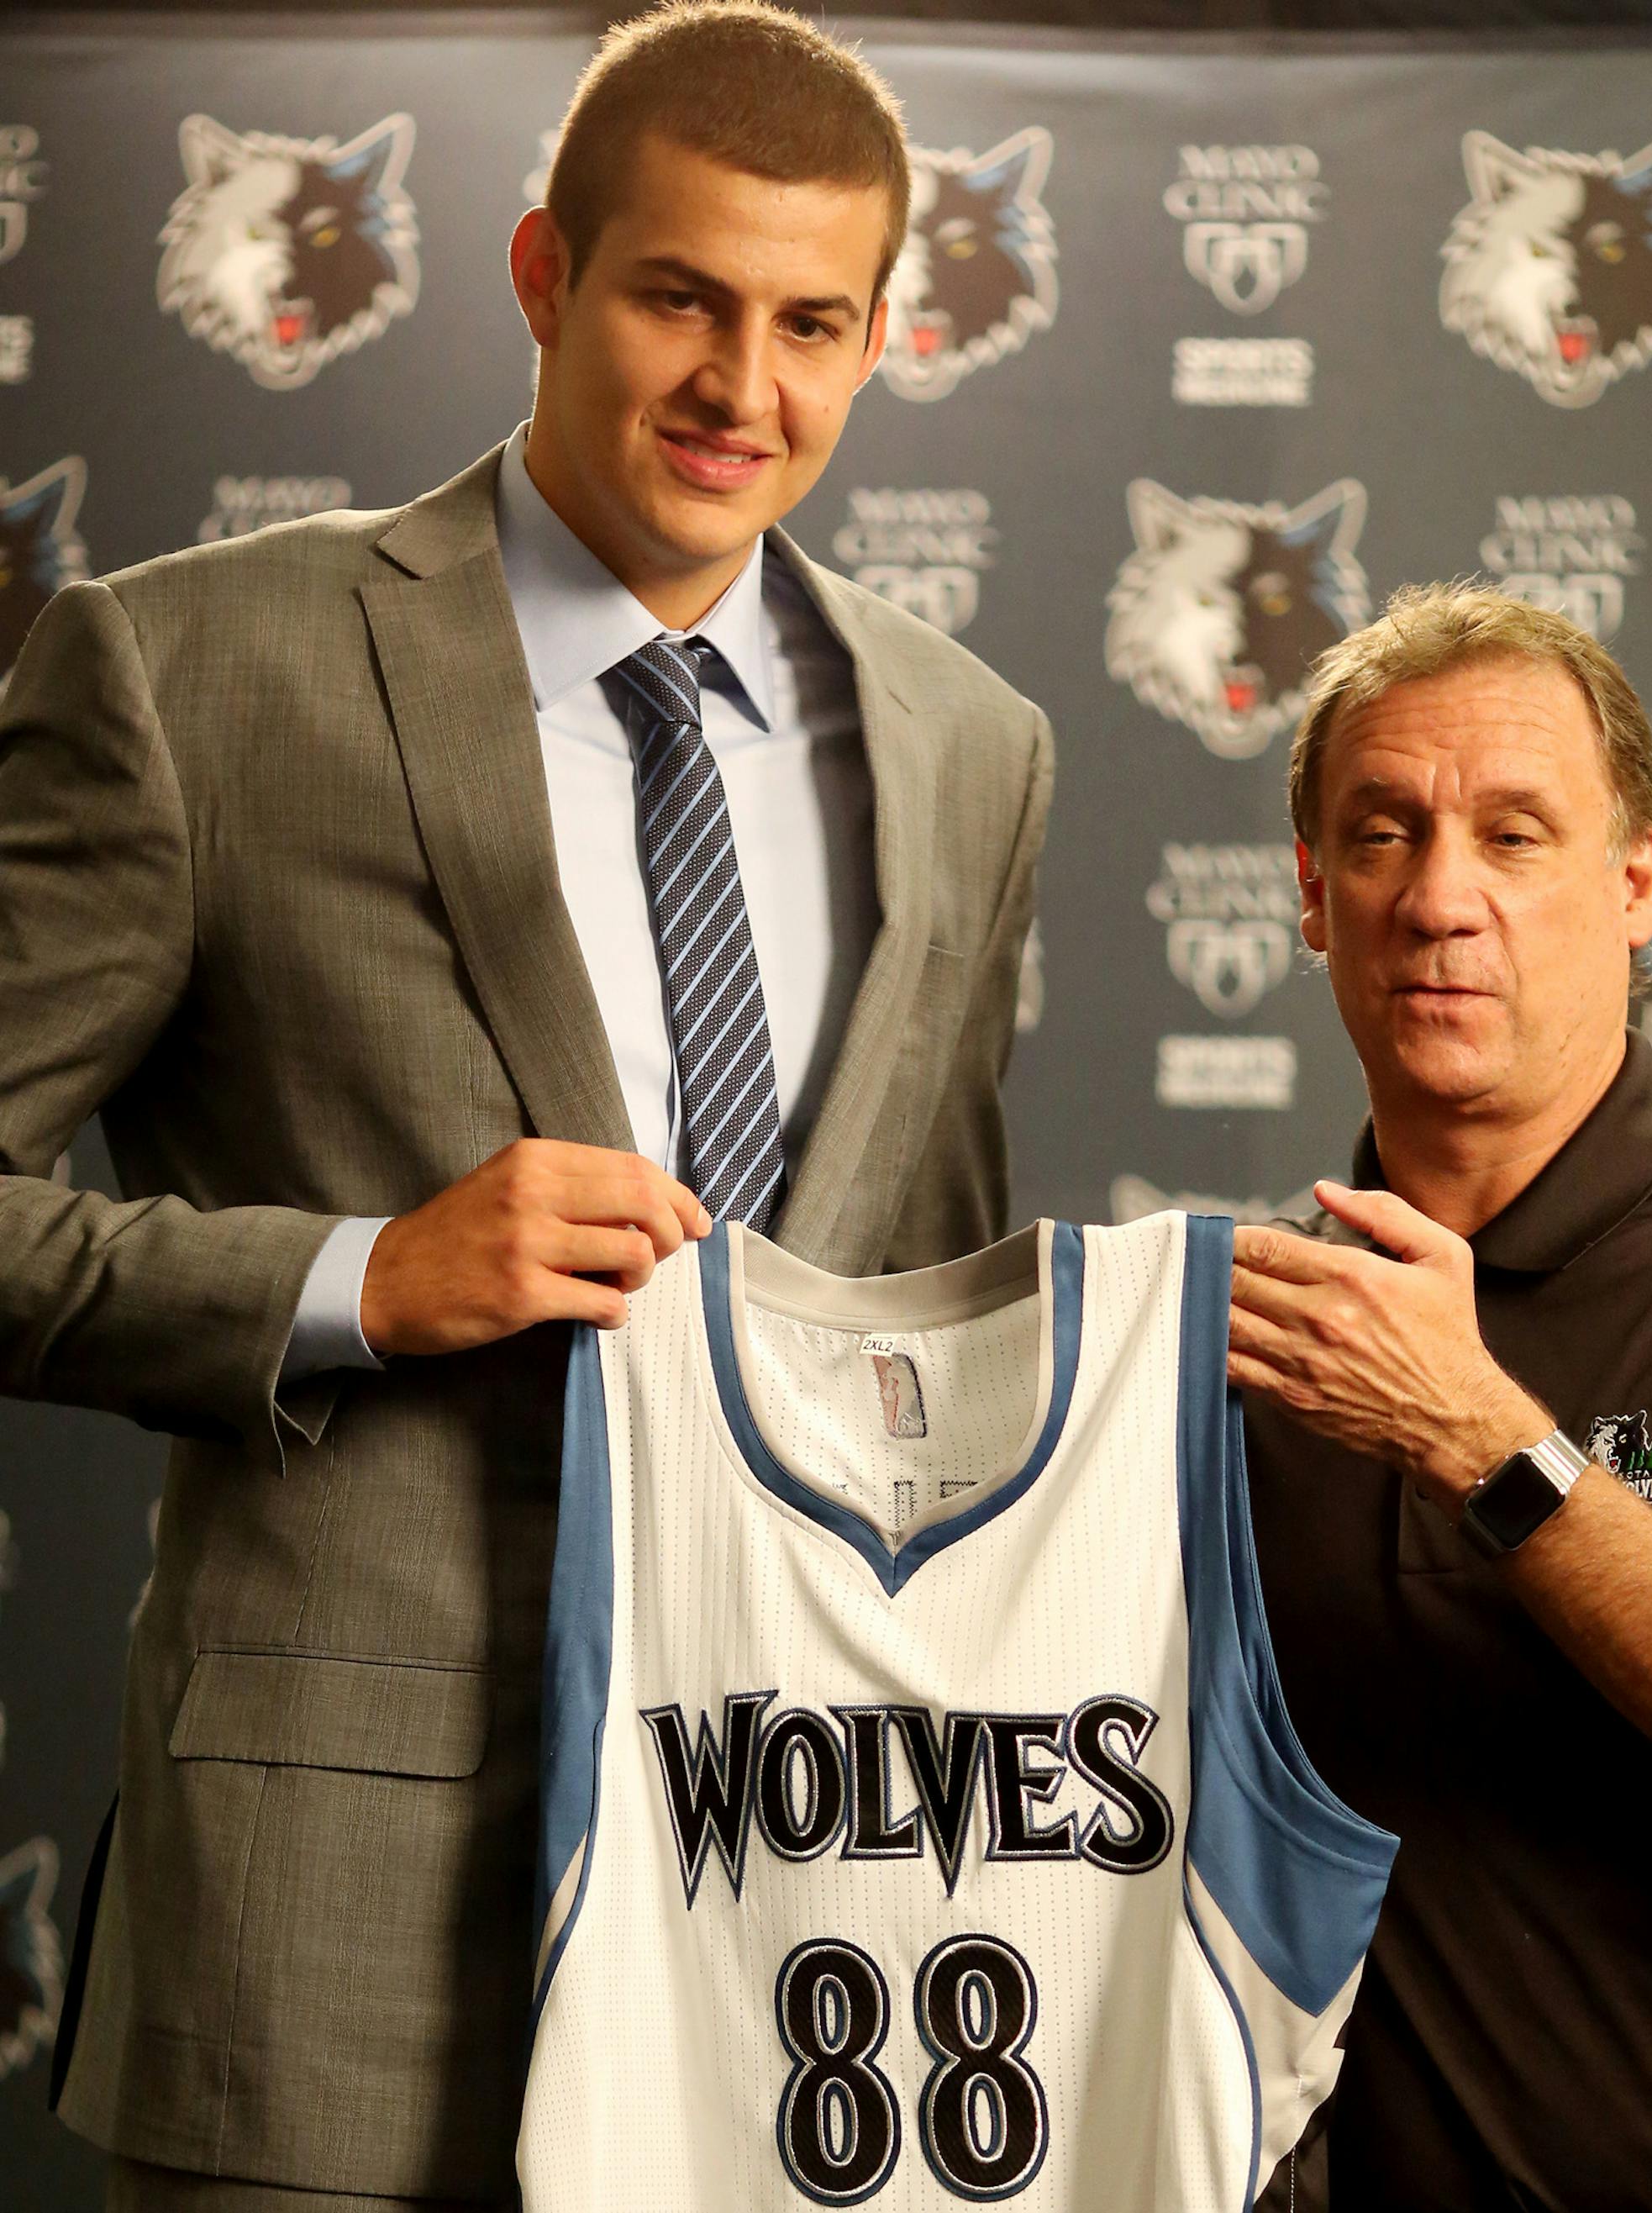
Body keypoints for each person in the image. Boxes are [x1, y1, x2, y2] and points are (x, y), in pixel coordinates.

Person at [0, 6, 1053, 2206]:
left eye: (809, 324)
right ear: (541, 275)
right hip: (332, 1952)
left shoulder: (970, 741)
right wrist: (358, 1278)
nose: (739, 387)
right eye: (679, 294)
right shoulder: (186, 674)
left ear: (880, 344)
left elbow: (941, 1299)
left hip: (818, 1915)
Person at [1232, 582, 1652, 2213]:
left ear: (1638, 885)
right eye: (1382, 835)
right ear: (1311, 899)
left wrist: (1485, 1440)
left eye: (1513, 835)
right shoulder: (1241, 1330)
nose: (1440, 899)